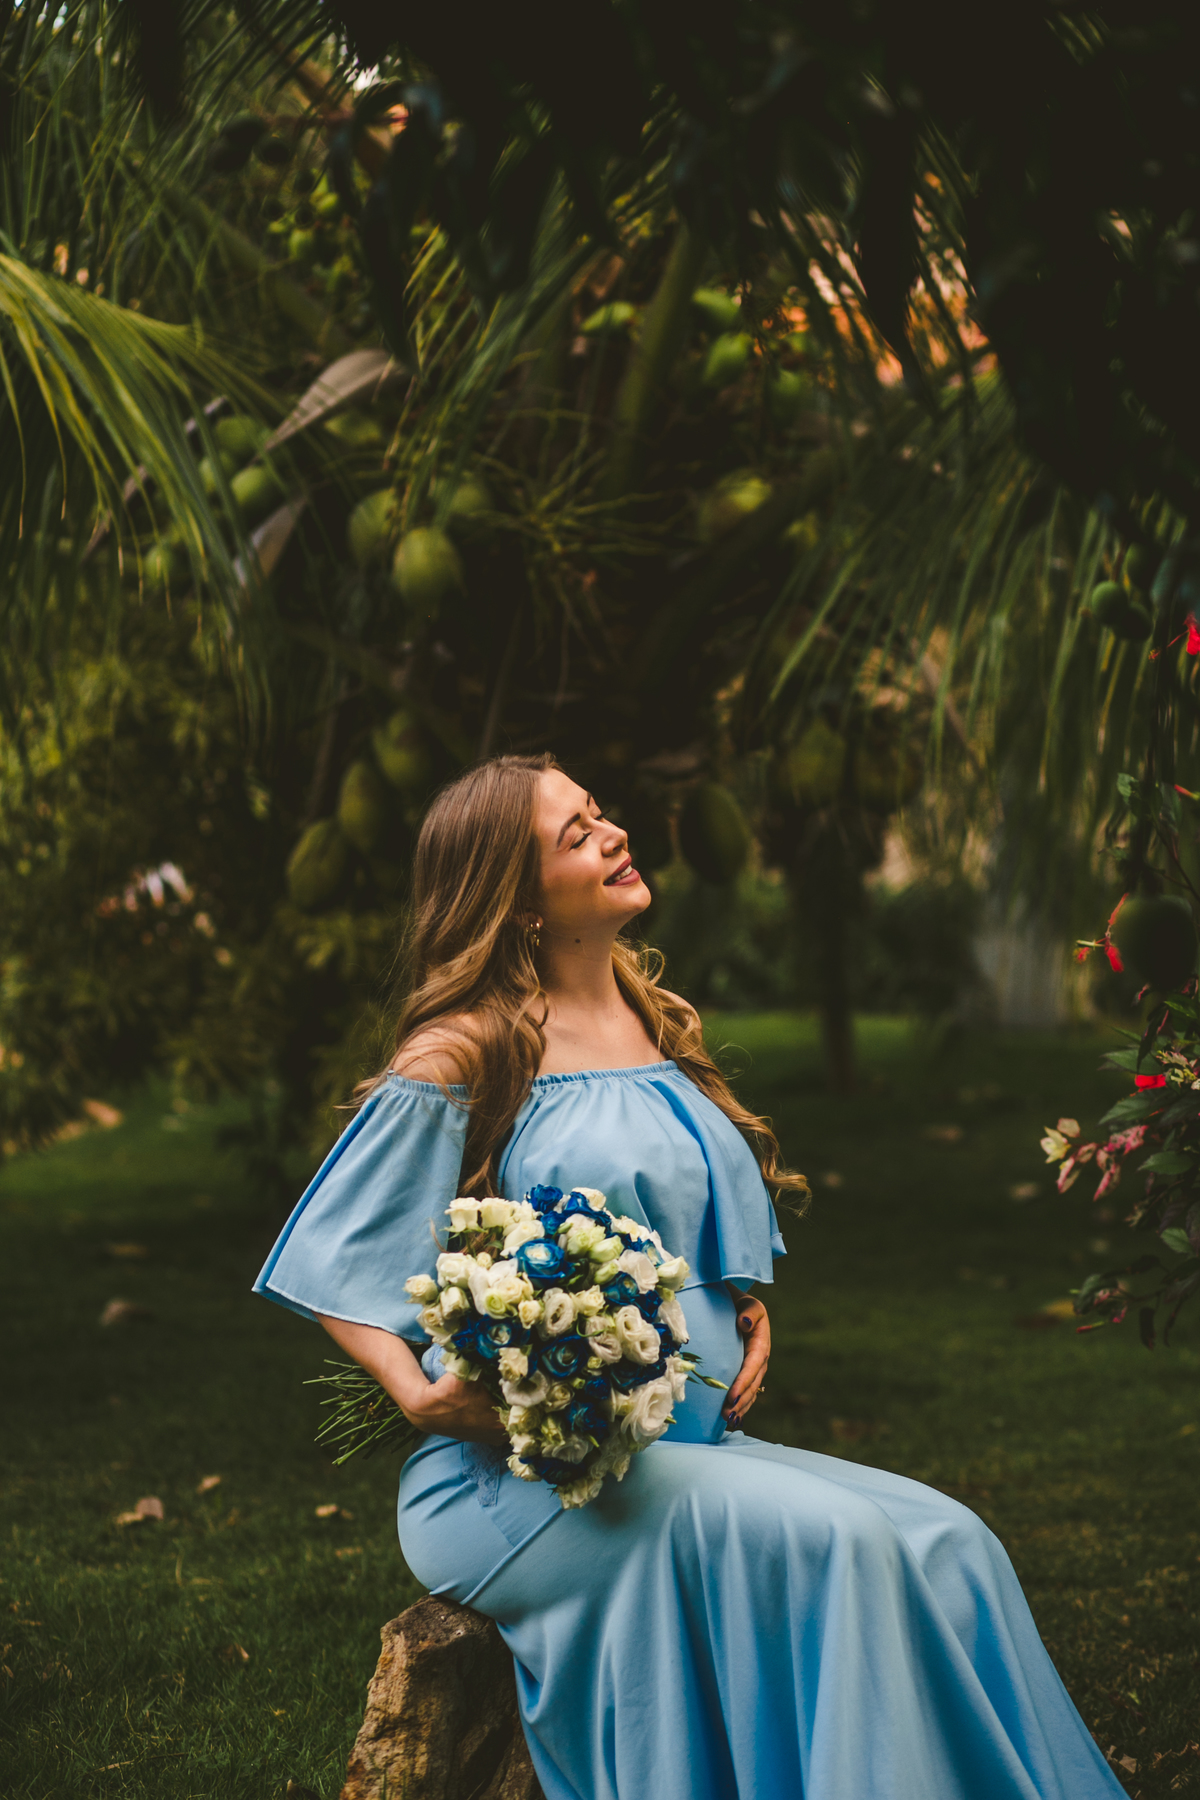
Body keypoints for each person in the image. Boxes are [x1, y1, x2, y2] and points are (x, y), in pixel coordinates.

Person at [254, 753, 1123, 1800]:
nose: (614, 833)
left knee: (952, 1542)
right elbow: (332, 1260)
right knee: (843, 1543)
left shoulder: (645, 1013)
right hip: (531, 1486)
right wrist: (419, 1395)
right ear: (517, 901)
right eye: (576, 834)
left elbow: (669, 1226)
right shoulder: (468, 1051)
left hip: (685, 1444)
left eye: (599, 814)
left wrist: (740, 1310)